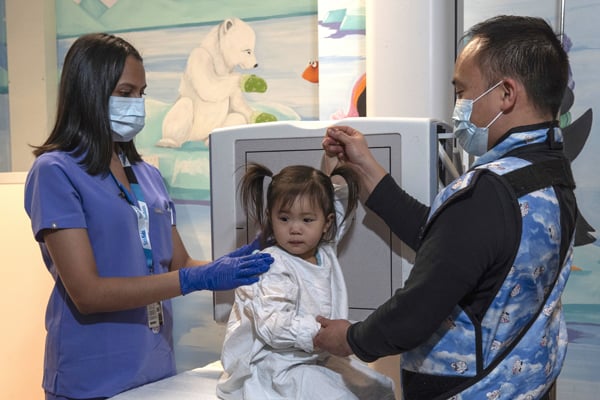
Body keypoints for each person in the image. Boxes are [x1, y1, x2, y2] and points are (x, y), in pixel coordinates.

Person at [314, 15, 578, 400]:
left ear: (506, 94)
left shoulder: (487, 192)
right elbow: (455, 247)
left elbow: (415, 312)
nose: (458, 106)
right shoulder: (550, 174)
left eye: (462, 92)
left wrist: (349, 338)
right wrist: (367, 174)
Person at [24, 33, 273, 400]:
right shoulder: (55, 172)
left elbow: (179, 262)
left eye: (141, 93)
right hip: (90, 376)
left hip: (155, 371)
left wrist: (238, 266)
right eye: (125, 93)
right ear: (89, 92)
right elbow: (87, 294)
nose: (137, 105)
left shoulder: (148, 176)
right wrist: (195, 278)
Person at [216, 161, 396, 399]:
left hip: (315, 357)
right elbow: (273, 325)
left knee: (381, 388)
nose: (295, 229)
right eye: (284, 218)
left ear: (326, 224)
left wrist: (332, 162)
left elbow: (337, 204)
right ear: (271, 218)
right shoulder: (271, 264)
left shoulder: (324, 250)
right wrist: (322, 333)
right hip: (275, 365)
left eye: (307, 220)